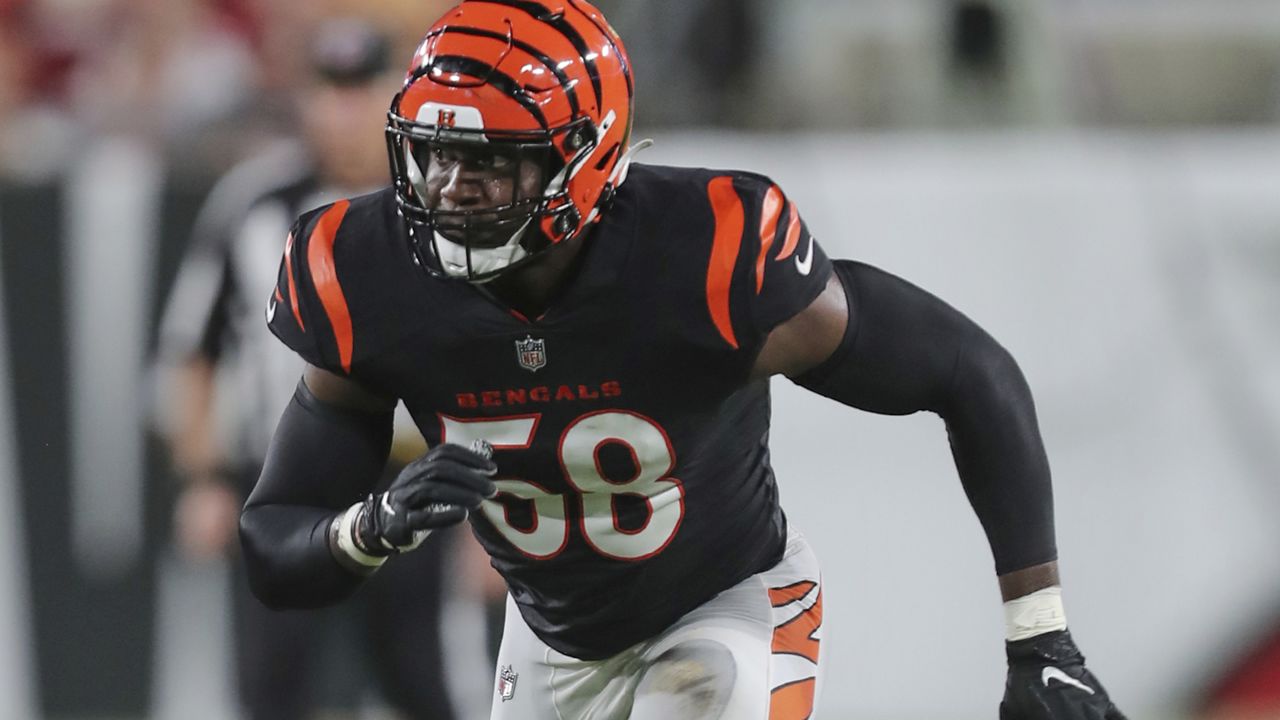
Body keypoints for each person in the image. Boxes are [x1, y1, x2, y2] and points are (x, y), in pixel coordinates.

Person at [240, 2, 1127, 718]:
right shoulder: (368, 274)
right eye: (434, 158)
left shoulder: (707, 256)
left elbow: (970, 372)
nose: (448, 192)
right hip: (550, 640)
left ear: (580, 162)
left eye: (488, 166)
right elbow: (275, 542)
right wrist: (371, 525)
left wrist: (1041, 637)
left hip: (726, 606)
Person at [157, 18, 472, 720]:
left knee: (422, 684)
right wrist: (203, 477)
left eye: (362, 90)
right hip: (284, 480)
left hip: (411, 479)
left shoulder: (445, 202)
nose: (345, 111)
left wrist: (494, 510)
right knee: (273, 686)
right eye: (330, 90)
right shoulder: (253, 204)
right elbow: (192, 351)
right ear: (303, 98)